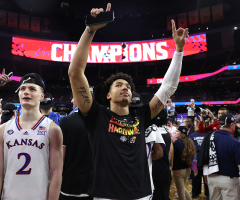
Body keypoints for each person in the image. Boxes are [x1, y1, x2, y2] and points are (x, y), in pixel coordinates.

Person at [68, 3, 188, 199]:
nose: (125, 87)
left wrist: (179, 50)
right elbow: (75, 73)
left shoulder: (142, 114)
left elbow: (168, 88)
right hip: (106, 195)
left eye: (128, 86)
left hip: (141, 195)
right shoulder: (96, 115)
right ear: (107, 95)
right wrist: (90, 30)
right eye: (118, 85)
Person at [0, 73, 63, 200]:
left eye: (32, 89)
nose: (26, 92)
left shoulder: (53, 129)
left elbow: (56, 173)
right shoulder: (3, 129)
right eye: (22, 89)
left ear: (42, 96)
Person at [59, 97, 93, 200]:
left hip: (70, 185)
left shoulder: (66, 121)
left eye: (73, 98)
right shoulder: (102, 120)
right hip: (95, 184)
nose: (71, 101)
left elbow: (61, 158)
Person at [203, 114, 240, 200]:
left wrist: (205, 174)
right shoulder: (235, 143)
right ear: (231, 125)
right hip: (229, 180)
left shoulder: (209, 138)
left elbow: (204, 158)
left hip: (211, 177)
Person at [152, 109, 172, 200]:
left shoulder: (155, 132)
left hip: (157, 172)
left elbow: (159, 153)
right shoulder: (165, 131)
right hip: (164, 170)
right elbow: (170, 151)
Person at [172, 126, 196, 200]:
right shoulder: (190, 142)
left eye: (177, 131)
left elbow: (172, 156)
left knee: (181, 193)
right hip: (187, 170)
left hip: (178, 171)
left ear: (181, 133)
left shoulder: (176, 143)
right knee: (182, 189)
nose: (175, 133)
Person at [188, 121, 209, 199]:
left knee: (195, 178)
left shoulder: (192, 135)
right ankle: (207, 193)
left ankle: (195, 192)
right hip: (206, 159)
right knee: (206, 178)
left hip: (195, 160)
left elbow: (189, 148)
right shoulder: (208, 135)